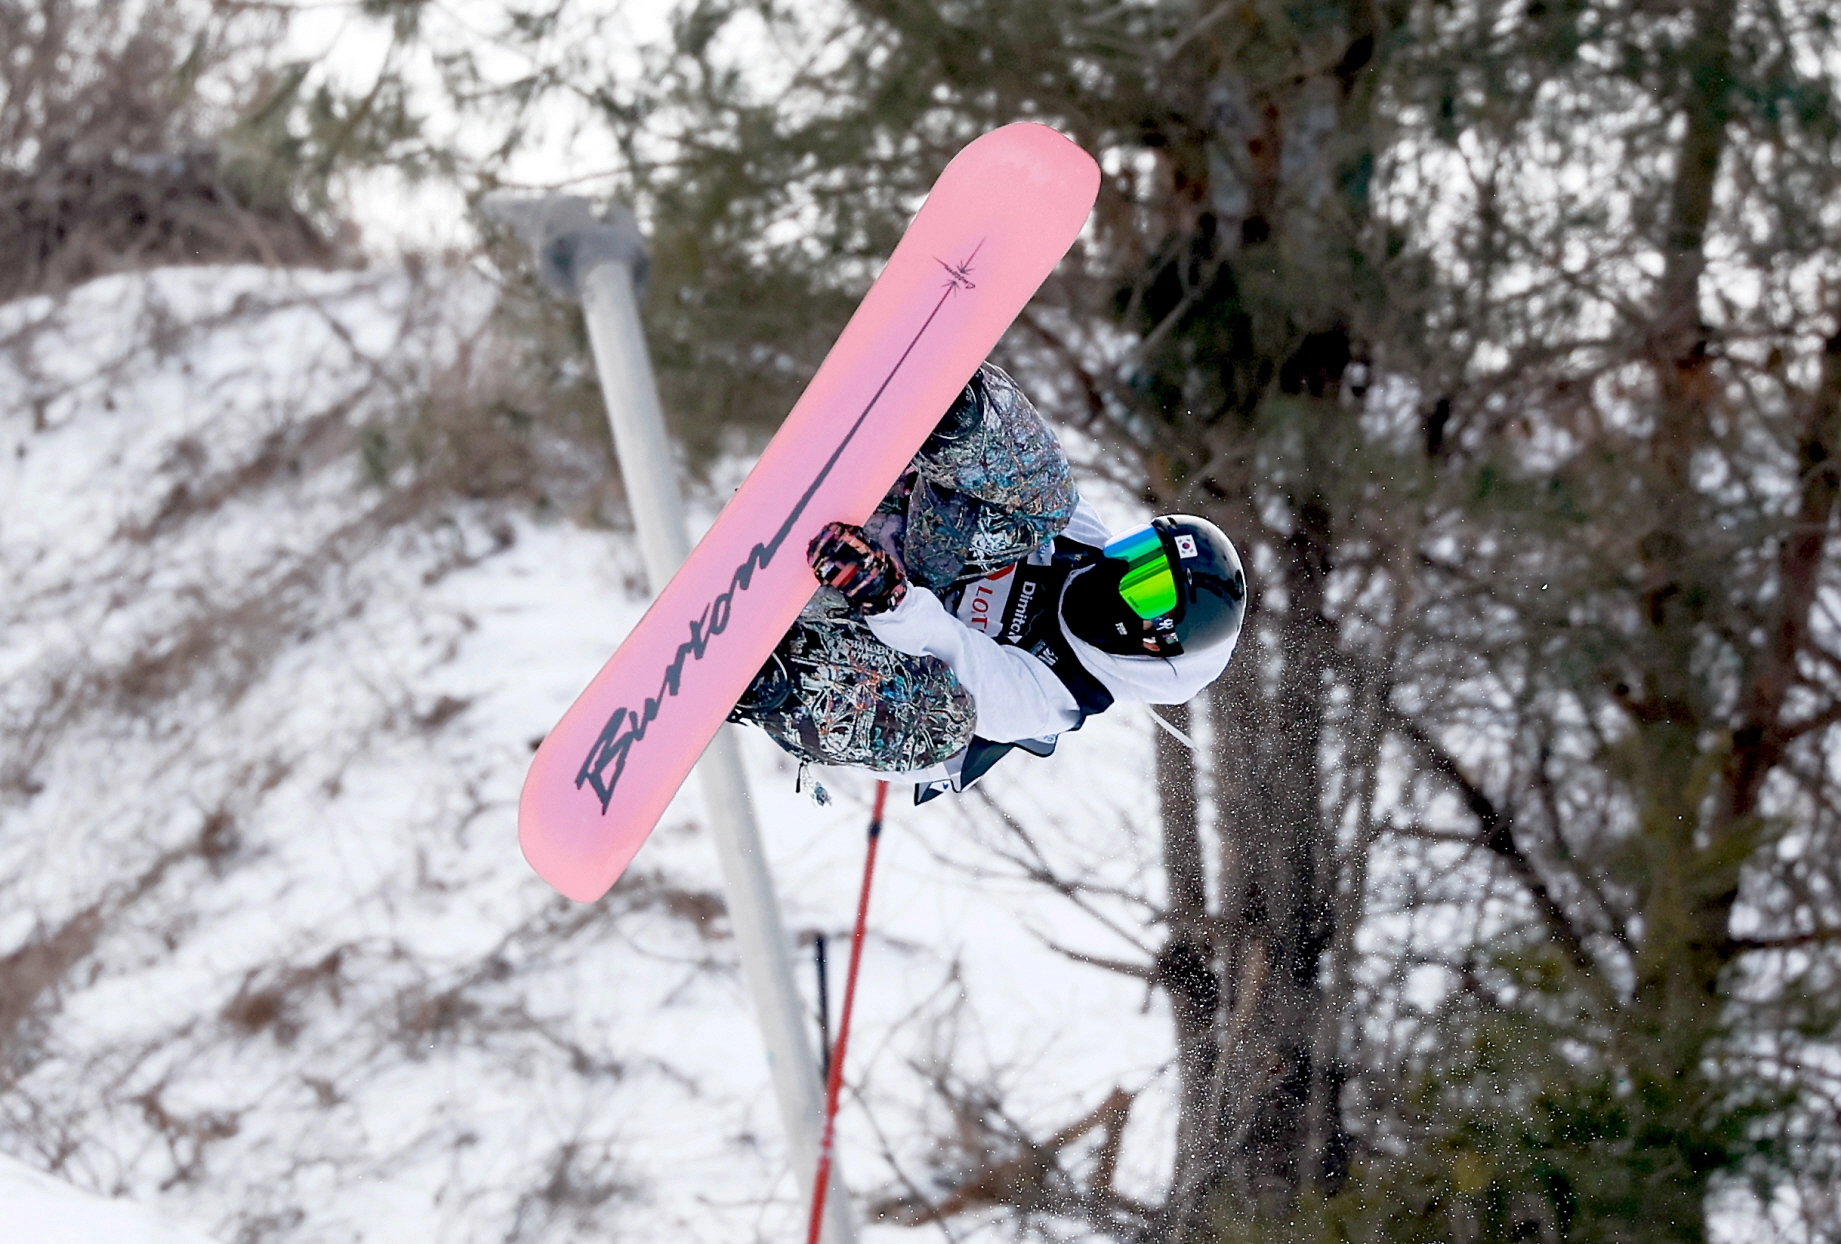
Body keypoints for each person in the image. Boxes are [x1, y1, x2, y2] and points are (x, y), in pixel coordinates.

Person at [728, 362, 1247, 802]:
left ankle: (773, 681)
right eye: (1138, 552)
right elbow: (1029, 476)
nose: (1119, 568)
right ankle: (948, 408)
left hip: (862, 655)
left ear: (1153, 640)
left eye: (1146, 586)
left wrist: (886, 597)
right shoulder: (1083, 547)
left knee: (945, 720)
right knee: (1049, 501)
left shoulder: (1053, 697)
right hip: (884, 548)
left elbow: (959, 654)